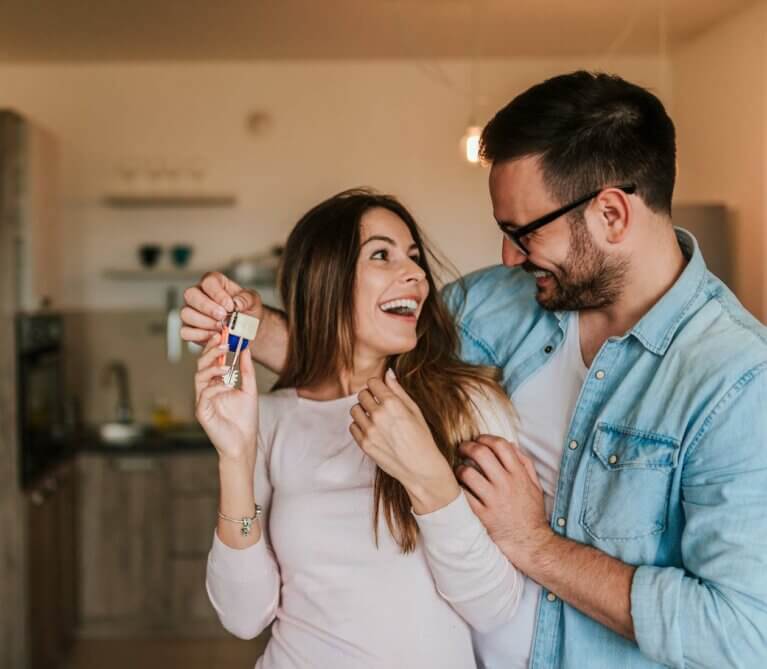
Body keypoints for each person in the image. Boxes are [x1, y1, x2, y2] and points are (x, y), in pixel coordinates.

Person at [183, 71, 767, 669]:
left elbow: (743, 633)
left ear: (612, 214)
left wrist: (536, 545)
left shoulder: (736, 380)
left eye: (524, 232)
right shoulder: (505, 301)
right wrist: (247, 325)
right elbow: (361, 350)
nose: (509, 256)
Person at [194, 189, 531, 669]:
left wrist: (430, 479)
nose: (415, 274)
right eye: (382, 255)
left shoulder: (468, 405)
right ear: (326, 280)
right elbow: (244, 615)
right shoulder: (270, 417)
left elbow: (494, 607)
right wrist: (235, 459)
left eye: (414, 259)